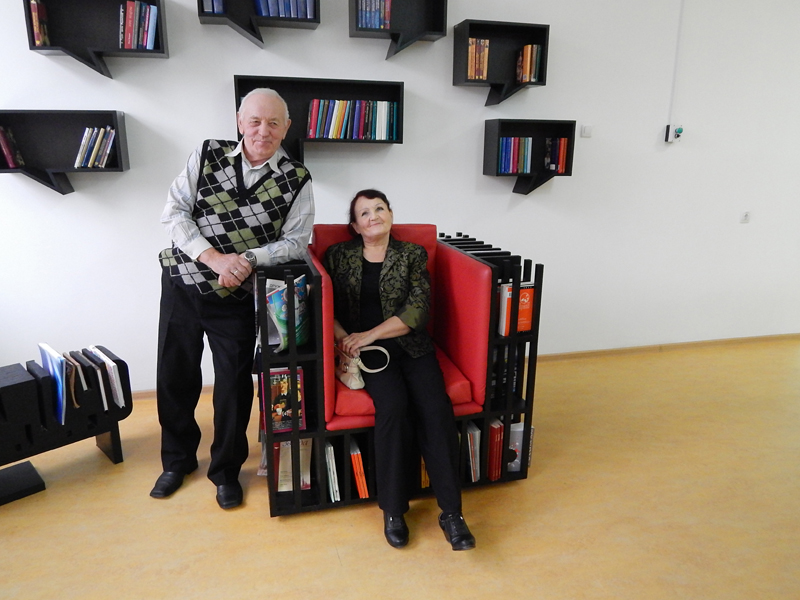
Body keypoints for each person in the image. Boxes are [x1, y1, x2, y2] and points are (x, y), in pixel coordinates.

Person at [152, 88, 314, 509]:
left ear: (286, 128)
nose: (263, 131)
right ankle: (177, 461)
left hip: (239, 296)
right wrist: (213, 257)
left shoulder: (297, 177)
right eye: (255, 121)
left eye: (274, 123)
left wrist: (246, 259)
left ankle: (225, 471)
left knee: (233, 388)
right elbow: (174, 211)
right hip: (184, 285)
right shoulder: (208, 153)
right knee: (175, 377)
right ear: (240, 121)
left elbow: (296, 241)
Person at [324, 189, 476, 550]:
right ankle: (393, 510)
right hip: (371, 355)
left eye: (380, 208)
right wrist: (348, 340)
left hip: (412, 346)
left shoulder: (411, 253)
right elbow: (325, 305)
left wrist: (369, 334)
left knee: (435, 409)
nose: (373, 216)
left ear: (391, 215)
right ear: (355, 225)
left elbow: (418, 310)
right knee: (392, 409)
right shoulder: (338, 255)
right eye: (364, 213)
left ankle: (452, 513)